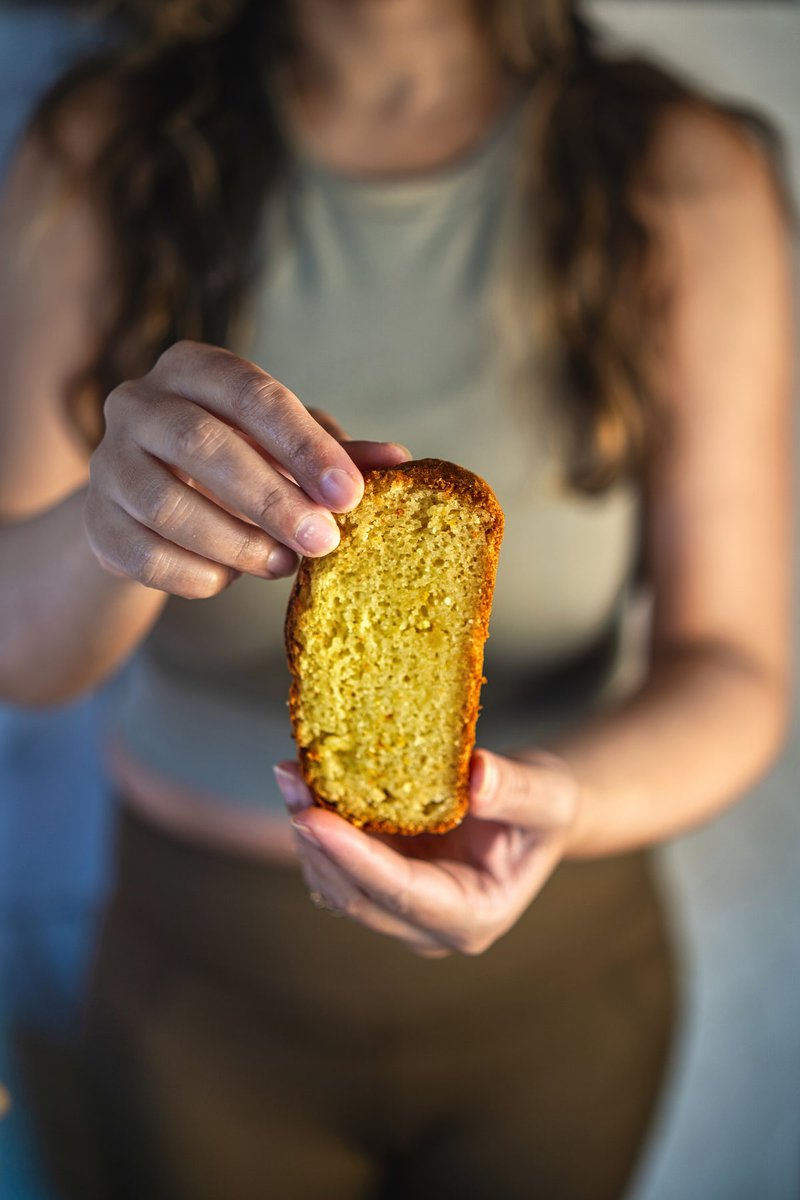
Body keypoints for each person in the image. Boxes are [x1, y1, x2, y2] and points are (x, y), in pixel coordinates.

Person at [0, 1, 792, 1197]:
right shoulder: (101, 152)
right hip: (192, 1002)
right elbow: (20, 652)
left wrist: (561, 802)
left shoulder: (683, 177)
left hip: (558, 1007)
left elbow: (733, 663)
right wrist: (113, 520)